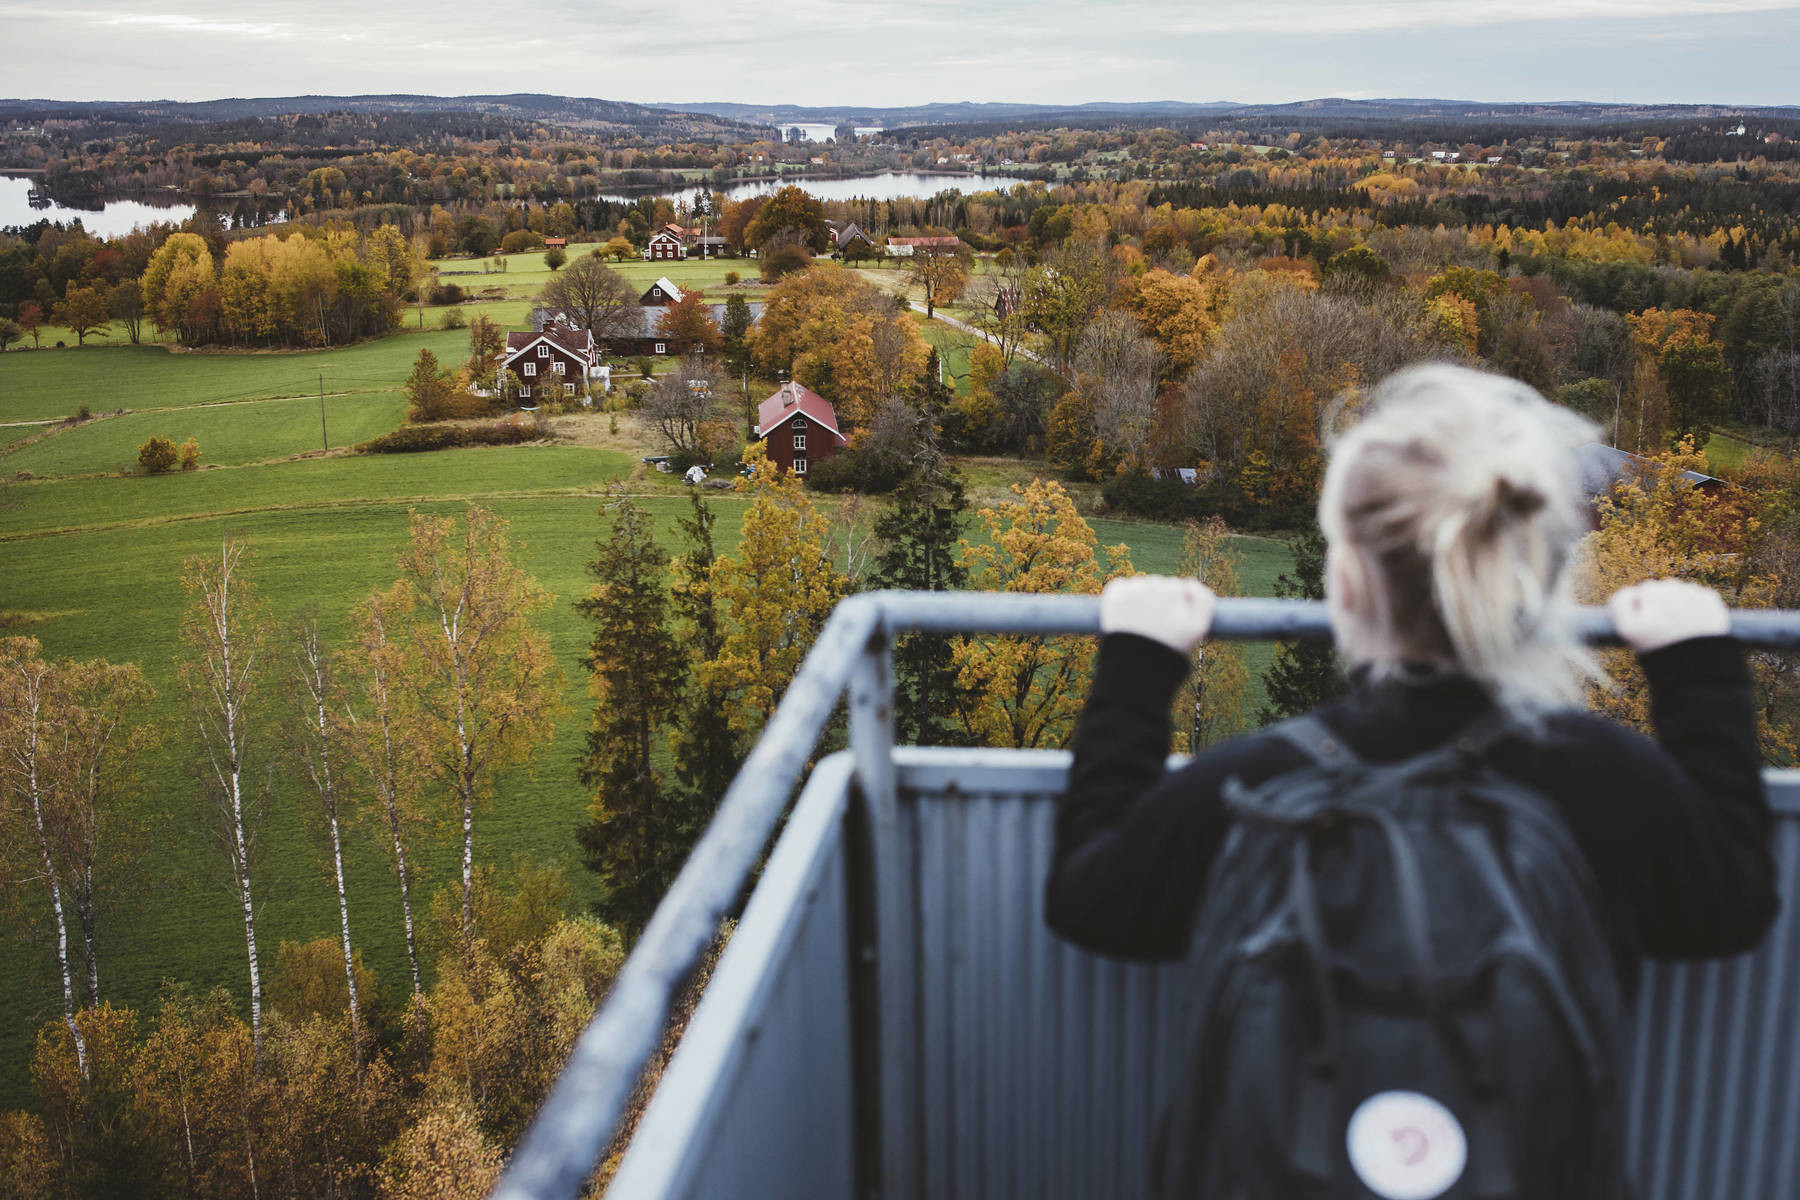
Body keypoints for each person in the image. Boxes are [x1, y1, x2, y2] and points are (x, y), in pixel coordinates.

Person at [1045, 364, 1778, 1197]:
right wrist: (1699, 673)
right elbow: (1733, 902)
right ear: (1539, 580)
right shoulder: (1600, 781)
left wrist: (1138, 666)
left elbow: (1087, 897)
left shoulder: (1256, 785)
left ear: (1347, 581)